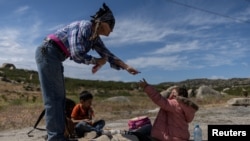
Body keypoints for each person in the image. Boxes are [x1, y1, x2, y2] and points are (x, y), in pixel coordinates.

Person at [35, 3, 140, 141]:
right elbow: (76, 53)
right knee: (54, 99)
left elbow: (107, 54)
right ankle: (55, 138)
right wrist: (96, 61)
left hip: (55, 57)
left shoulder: (94, 38)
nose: (112, 31)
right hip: (48, 52)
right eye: (111, 26)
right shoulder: (84, 26)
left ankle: (57, 135)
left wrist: (126, 67)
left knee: (59, 99)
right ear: (102, 22)